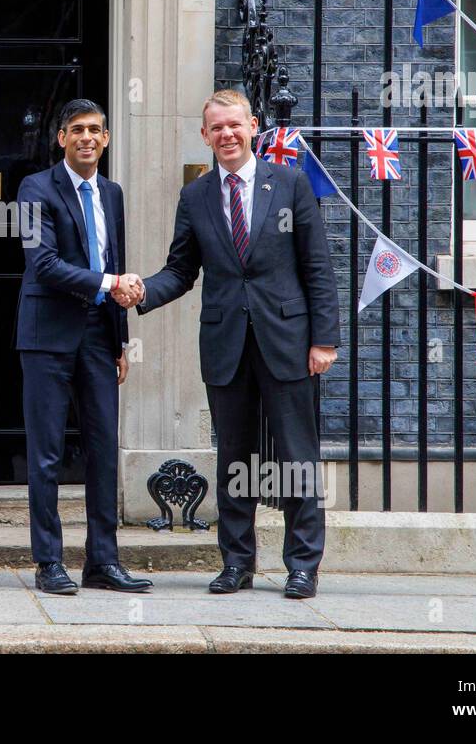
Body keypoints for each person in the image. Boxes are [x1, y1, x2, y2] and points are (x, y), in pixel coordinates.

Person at [116, 89, 339, 599]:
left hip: (287, 340)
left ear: (253, 126)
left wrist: (324, 339)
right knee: (235, 457)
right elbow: (181, 269)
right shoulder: (195, 196)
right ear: (205, 135)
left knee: (296, 457)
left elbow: (317, 267)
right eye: (216, 128)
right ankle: (237, 563)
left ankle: (303, 565)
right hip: (226, 345)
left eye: (234, 125)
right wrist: (142, 291)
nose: (227, 135)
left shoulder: (289, 184)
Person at [15, 98, 152, 596]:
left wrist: (119, 340)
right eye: (77, 130)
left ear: (107, 138)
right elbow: (42, 264)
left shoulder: (112, 193)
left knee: (102, 451)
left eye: (95, 129)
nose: (87, 138)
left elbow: (114, 255)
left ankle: (102, 562)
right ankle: (49, 561)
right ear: (62, 139)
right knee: (47, 454)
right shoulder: (34, 188)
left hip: (98, 335)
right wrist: (113, 281)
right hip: (47, 336)